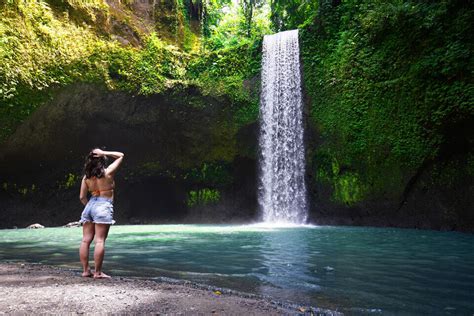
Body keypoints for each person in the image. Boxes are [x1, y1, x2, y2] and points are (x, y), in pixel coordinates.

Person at [79, 148, 124, 279]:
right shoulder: (108, 172)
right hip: (103, 205)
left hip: (90, 205)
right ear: (102, 160)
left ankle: (86, 271)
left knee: (85, 240)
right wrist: (104, 152)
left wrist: (90, 207)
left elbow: (82, 197)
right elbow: (121, 155)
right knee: (100, 241)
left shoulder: (86, 177)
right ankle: (98, 273)